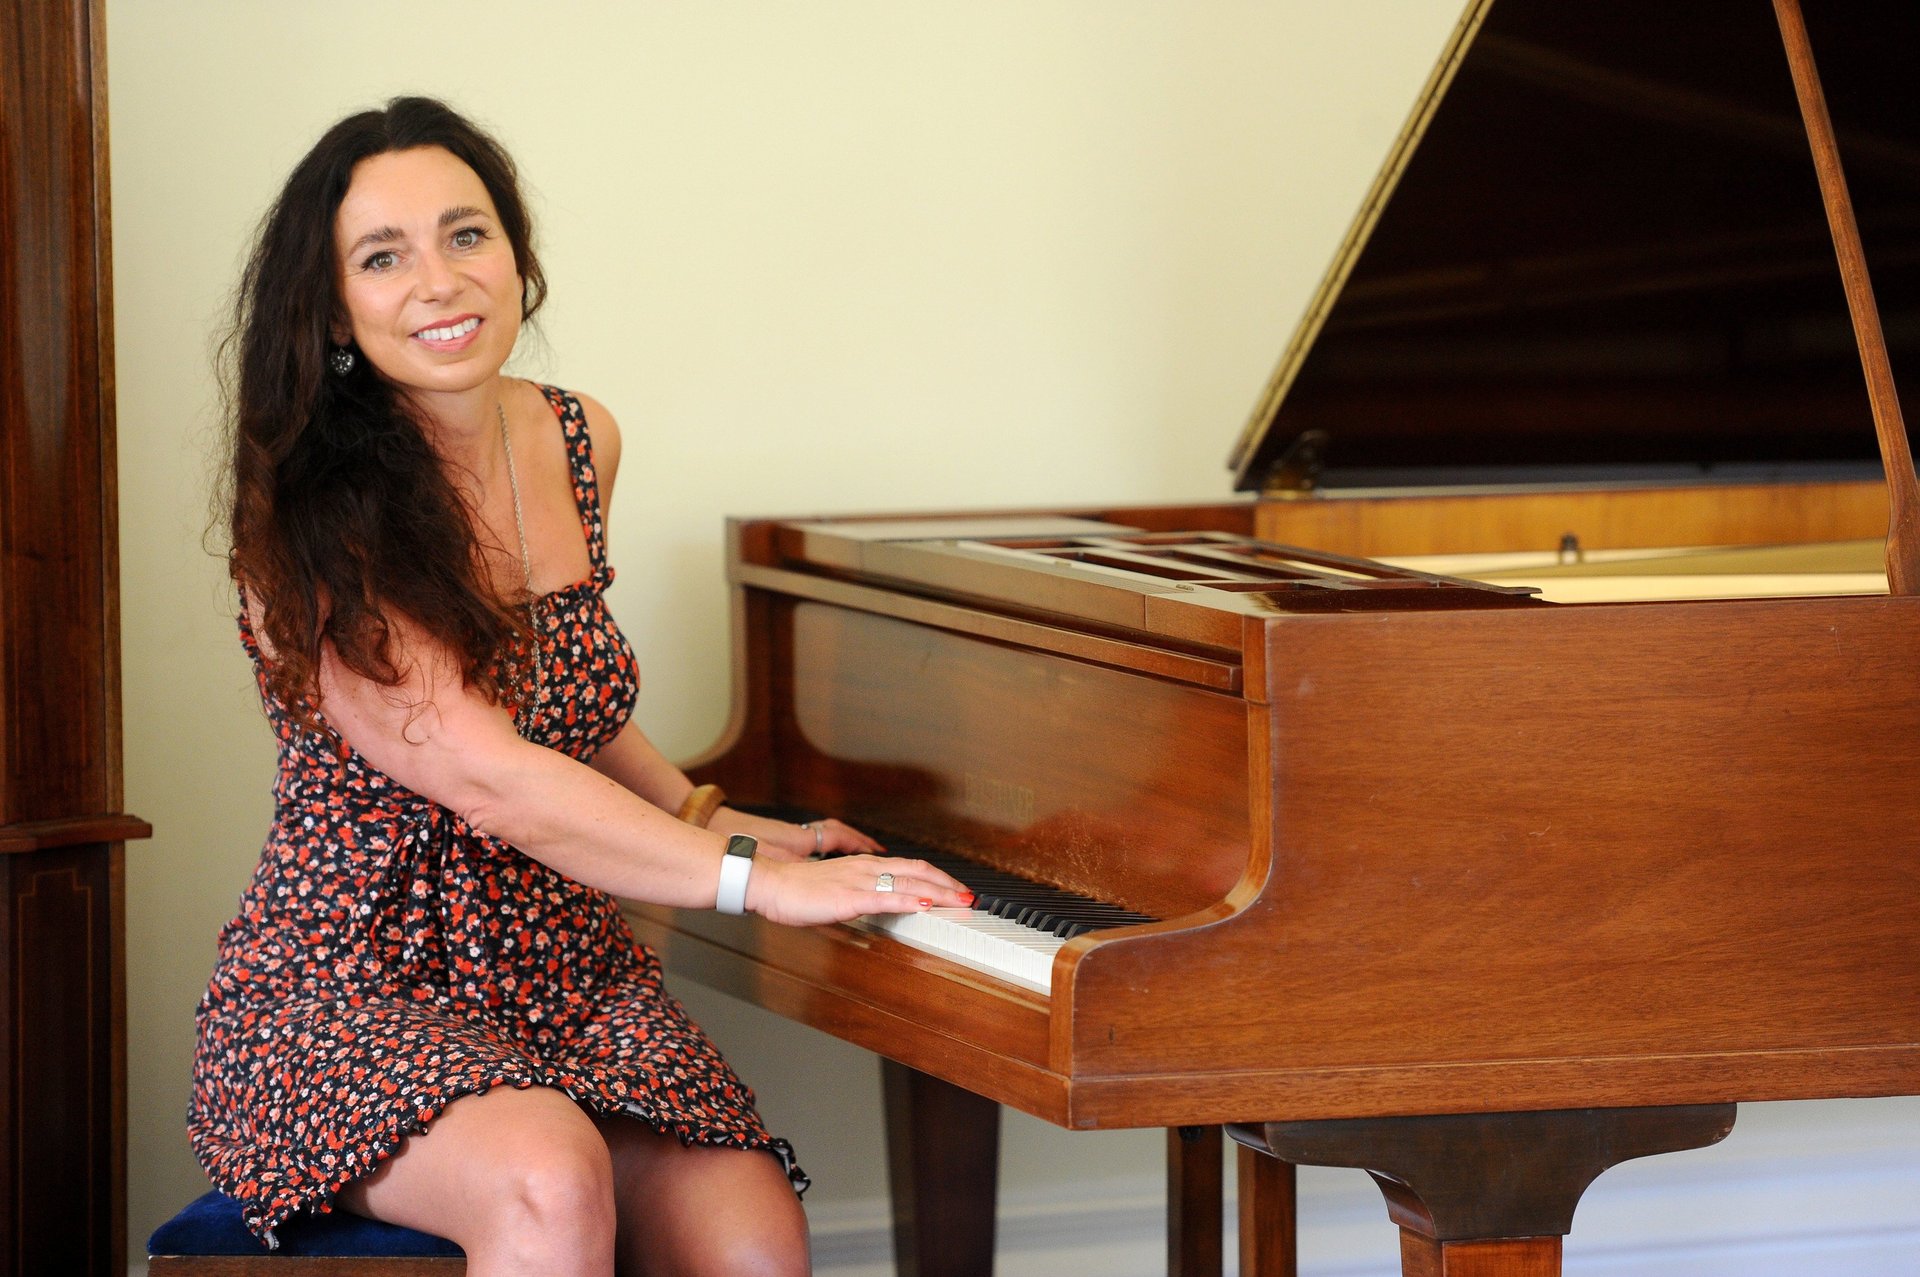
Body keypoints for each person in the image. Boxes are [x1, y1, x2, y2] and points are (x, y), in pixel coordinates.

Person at [189, 96, 971, 1277]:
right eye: (383, 256)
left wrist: (713, 812)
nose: (440, 281)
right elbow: (489, 771)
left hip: (565, 970)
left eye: (468, 235)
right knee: (549, 1174)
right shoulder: (303, 510)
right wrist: (751, 882)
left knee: (755, 1241)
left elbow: (571, 708)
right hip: (345, 984)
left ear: (517, 253)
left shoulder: (575, 436)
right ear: (332, 304)